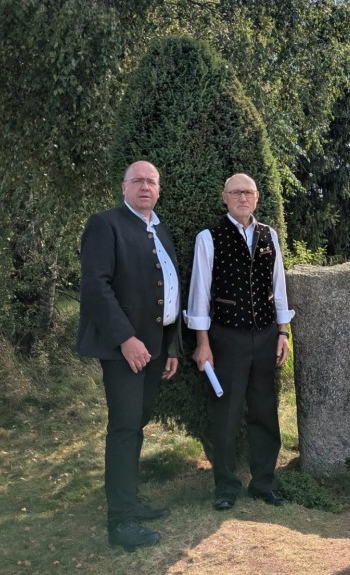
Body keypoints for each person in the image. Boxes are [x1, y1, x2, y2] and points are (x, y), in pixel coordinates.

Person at [76, 160, 182, 551]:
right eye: (137, 180)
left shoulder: (160, 229)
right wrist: (125, 339)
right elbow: (95, 287)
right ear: (124, 187)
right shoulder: (105, 224)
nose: (145, 186)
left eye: (151, 181)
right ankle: (120, 522)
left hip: (155, 350)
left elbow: (169, 290)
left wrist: (170, 347)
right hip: (126, 351)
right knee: (123, 430)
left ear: (159, 189)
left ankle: (131, 502)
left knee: (136, 426)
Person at [185, 172, 294, 511]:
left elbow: (278, 287)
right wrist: (202, 343)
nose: (242, 198)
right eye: (235, 193)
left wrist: (282, 332)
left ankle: (264, 482)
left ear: (257, 197)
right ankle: (226, 486)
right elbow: (199, 293)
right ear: (225, 198)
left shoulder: (269, 235)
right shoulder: (209, 237)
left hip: (264, 335)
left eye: (248, 192)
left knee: (264, 411)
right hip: (226, 337)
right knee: (226, 414)